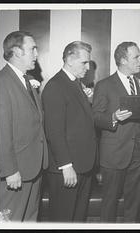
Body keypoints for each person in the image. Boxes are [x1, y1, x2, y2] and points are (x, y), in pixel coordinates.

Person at [92, 41, 140, 223]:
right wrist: (113, 117)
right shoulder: (104, 85)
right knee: (109, 203)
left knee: (134, 204)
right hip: (114, 153)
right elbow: (95, 117)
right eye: (136, 57)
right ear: (122, 60)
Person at [42, 41, 96, 222]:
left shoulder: (74, 83)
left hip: (82, 166)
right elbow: (54, 132)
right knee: (63, 219)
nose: (88, 68)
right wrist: (66, 166)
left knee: (77, 219)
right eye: (84, 63)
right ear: (70, 60)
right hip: (68, 168)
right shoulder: (56, 86)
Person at [0, 31, 48, 221]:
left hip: (33, 168)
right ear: (17, 51)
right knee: (10, 221)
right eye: (32, 48)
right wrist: (10, 170)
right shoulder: (1, 82)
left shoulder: (26, 80)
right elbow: (1, 132)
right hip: (16, 172)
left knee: (29, 220)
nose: (36, 54)